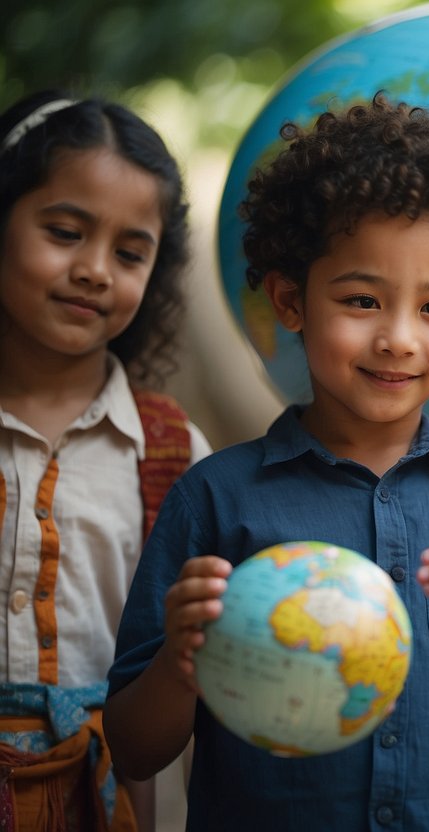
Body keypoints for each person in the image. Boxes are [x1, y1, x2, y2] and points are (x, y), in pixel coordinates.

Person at [103, 92, 429, 831]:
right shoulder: (214, 496)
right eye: (362, 300)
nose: (399, 338)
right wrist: (180, 660)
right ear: (289, 300)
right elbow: (133, 747)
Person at [0, 90, 208, 830]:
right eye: (64, 231)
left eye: (129, 252)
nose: (94, 269)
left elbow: (194, 669)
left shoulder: (172, 452)